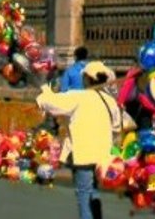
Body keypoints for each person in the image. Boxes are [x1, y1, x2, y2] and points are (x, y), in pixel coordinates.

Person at [39, 60, 127, 219]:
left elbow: (52, 104)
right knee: (94, 191)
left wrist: (45, 90)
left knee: (84, 194)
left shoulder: (77, 97)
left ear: (87, 78)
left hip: (84, 155)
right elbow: (116, 127)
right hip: (103, 156)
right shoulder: (110, 101)